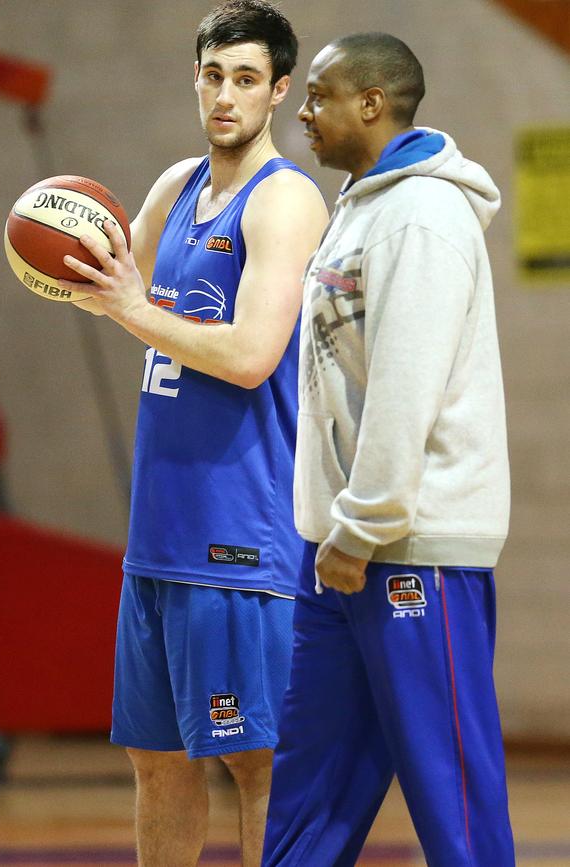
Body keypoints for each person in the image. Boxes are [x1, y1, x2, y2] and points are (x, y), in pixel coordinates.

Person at [58, 2, 328, 865]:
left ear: (279, 90)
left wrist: (136, 308)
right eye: (213, 75)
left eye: (246, 79)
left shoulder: (284, 200)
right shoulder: (174, 187)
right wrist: (55, 251)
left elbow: (252, 354)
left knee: (256, 760)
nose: (225, 95)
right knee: (159, 757)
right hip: (160, 531)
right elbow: (117, 295)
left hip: (239, 532)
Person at [262, 32, 515, 867]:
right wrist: (334, 529)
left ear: (372, 103)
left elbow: (406, 385)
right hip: (338, 549)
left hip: (410, 550)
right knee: (311, 786)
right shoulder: (361, 205)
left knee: (453, 795)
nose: (303, 110)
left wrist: (364, 524)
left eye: (321, 94)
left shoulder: (424, 216)